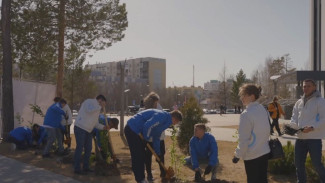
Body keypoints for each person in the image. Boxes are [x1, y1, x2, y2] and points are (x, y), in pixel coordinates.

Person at [124, 109, 183, 183]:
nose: (175, 124)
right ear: (174, 118)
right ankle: (140, 179)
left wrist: (158, 153)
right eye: (176, 122)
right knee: (138, 155)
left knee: (142, 155)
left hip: (139, 132)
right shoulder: (162, 116)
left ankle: (141, 178)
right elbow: (148, 125)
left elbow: (156, 136)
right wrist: (146, 138)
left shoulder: (166, 122)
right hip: (133, 129)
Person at [232, 84, 270, 183]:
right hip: (264, 152)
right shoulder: (263, 109)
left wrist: (237, 155)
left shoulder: (246, 114)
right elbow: (267, 131)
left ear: (252, 96)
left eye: (244, 95)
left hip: (252, 155)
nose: (241, 98)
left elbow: (244, 139)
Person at [290, 79, 325, 182]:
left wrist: (312, 127)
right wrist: (294, 127)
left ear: (314, 87)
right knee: (298, 165)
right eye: (304, 86)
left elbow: (324, 118)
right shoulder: (298, 102)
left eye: (308, 86)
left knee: (317, 164)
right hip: (300, 138)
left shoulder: (320, 101)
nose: (305, 88)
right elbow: (293, 117)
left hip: (314, 138)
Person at [73, 94, 109, 175]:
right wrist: (100, 107)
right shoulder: (89, 102)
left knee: (88, 149)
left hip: (89, 130)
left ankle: (86, 167)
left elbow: (95, 123)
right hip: (80, 128)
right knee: (80, 148)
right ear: (100, 100)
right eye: (104, 103)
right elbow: (89, 110)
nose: (104, 106)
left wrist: (104, 127)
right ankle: (77, 168)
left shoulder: (97, 109)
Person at [142, 92, 166, 182]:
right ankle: (149, 174)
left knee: (161, 156)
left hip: (159, 138)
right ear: (150, 102)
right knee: (148, 157)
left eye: (157, 102)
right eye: (155, 102)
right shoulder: (145, 110)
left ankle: (163, 173)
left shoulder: (159, 109)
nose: (156, 104)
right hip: (149, 139)